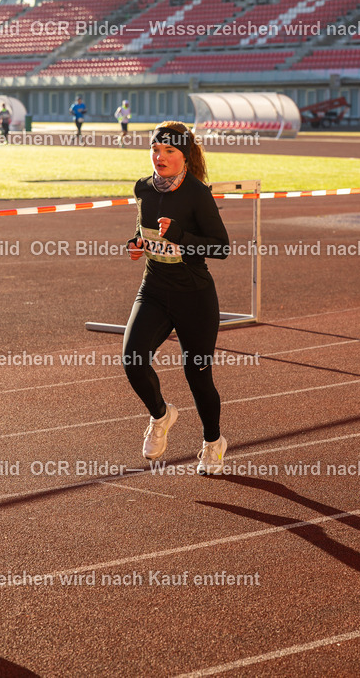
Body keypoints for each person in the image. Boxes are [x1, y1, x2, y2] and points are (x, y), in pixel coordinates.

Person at [123, 121, 230, 475]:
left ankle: (213, 443)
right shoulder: (143, 188)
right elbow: (142, 228)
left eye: (169, 150)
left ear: (184, 155)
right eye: (155, 149)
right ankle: (161, 415)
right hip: (153, 289)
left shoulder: (197, 193)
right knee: (133, 360)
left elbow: (221, 247)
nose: (160, 156)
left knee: (197, 375)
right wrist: (136, 243)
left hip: (194, 297)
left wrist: (182, 235)